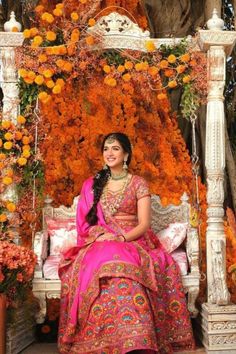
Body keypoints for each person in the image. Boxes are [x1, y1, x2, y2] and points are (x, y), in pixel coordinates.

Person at [58, 132, 195, 354]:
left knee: (125, 264)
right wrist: (102, 235)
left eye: (115, 148)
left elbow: (143, 224)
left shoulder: (138, 183)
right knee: (100, 262)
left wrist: (121, 238)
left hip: (134, 239)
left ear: (126, 154)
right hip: (102, 240)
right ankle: (104, 339)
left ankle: (137, 339)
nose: (109, 153)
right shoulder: (93, 185)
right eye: (106, 149)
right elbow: (86, 223)